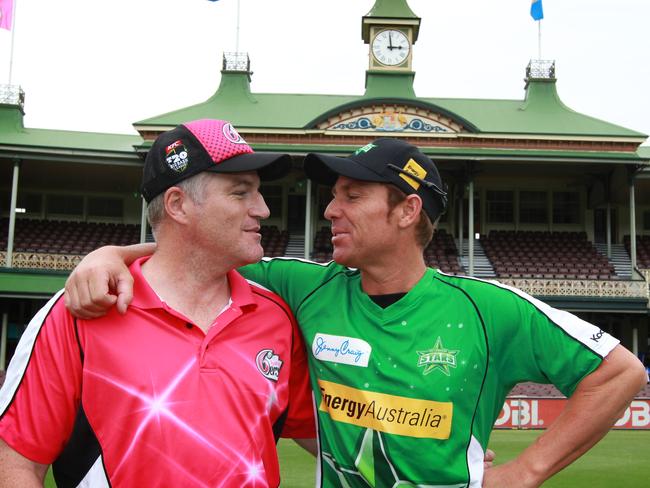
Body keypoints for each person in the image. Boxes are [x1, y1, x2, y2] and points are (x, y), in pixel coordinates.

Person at [64, 138, 647, 487]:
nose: (331, 210)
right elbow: (192, 251)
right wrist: (111, 253)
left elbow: (620, 373)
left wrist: (526, 471)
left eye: (352, 196)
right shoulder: (302, 286)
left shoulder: (489, 309)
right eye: (334, 194)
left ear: (405, 211)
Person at [0, 119, 316, 487]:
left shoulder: (276, 317)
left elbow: (326, 436)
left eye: (258, 192)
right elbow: (16, 463)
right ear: (178, 205)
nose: (262, 209)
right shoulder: (80, 311)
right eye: (240, 193)